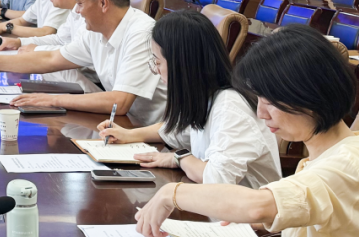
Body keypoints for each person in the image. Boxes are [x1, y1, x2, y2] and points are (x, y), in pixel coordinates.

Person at [134, 25, 359, 237]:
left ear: (311, 95)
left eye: (270, 101)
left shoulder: (346, 165)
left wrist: (172, 193)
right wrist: (259, 223)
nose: (261, 113)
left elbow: (258, 206)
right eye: (259, 99)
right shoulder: (328, 154)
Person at [0, 0, 167, 127]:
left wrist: (51, 100)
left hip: (152, 132)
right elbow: (51, 59)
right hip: (122, 124)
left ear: (103, 2)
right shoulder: (95, 30)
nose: (76, 11)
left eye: (80, 3)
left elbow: (119, 102)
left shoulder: (141, 33)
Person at [99, 10, 280, 188]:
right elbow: (177, 130)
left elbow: (217, 179)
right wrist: (129, 135)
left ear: (181, 64)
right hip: (219, 202)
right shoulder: (206, 96)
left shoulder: (230, 106)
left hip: (243, 206)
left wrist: (179, 158)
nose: (156, 70)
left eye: (158, 62)